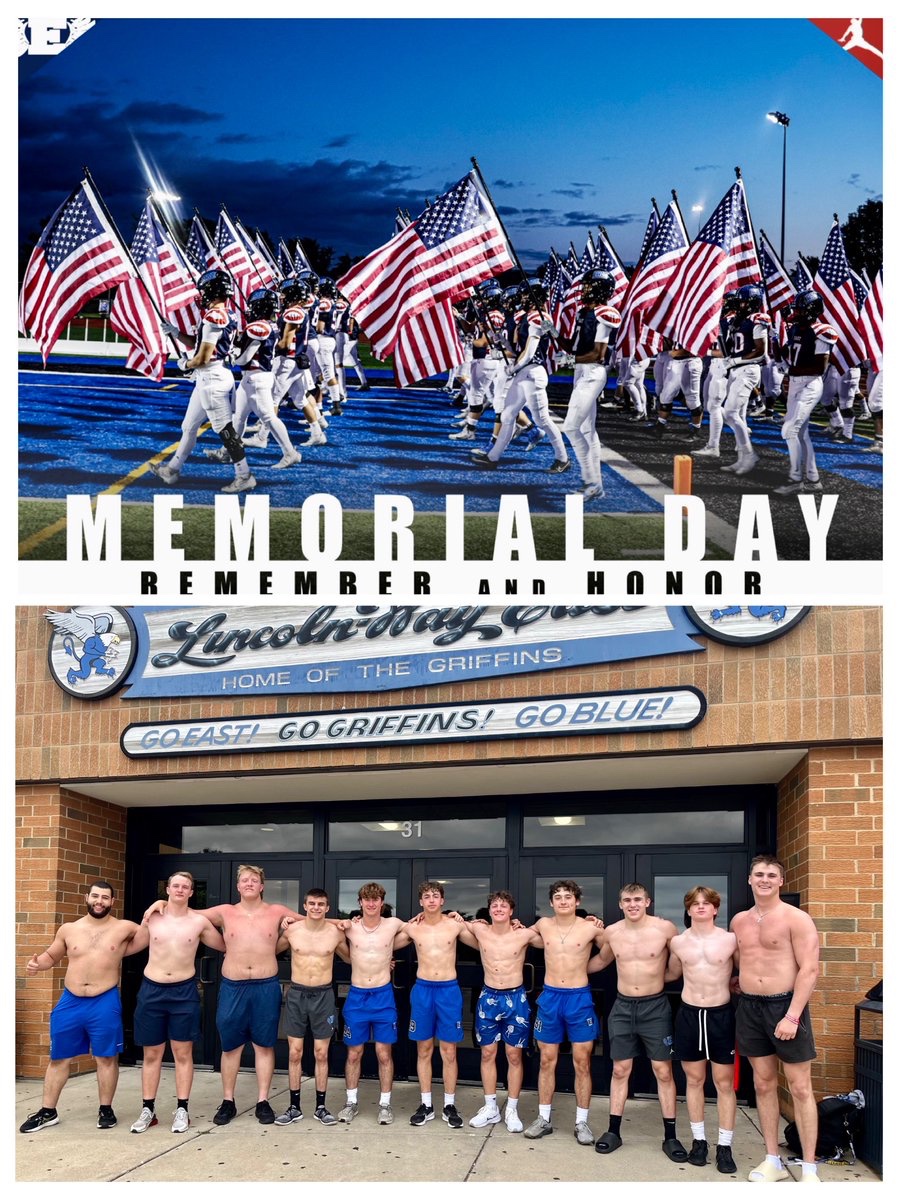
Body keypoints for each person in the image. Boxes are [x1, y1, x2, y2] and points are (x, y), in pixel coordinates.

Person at [143, 863, 302, 1126]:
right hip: (233, 986)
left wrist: (344, 922)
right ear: (238, 886)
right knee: (231, 1047)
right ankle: (228, 1100)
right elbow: (184, 909)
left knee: (264, 1045)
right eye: (244, 880)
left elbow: (314, 921)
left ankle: (263, 1101)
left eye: (254, 880)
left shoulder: (277, 912)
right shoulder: (224, 912)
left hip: (265, 986)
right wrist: (158, 903)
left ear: (262, 886)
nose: (249, 884)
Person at [20, 880, 145, 1133]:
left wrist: (158, 905)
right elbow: (52, 955)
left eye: (105, 898)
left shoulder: (124, 928)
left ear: (113, 902)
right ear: (86, 897)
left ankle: (106, 1109)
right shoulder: (68, 929)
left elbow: (153, 934)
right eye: (95, 896)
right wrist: (38, 964)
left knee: (106, 1057)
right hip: (71, 1000)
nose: (100, 901)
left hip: (104, 1000)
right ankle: (48, 1111)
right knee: (58, 1058)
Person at [731, 855, 821, 1183]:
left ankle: (809, 1168)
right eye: (759, 874)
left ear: (781, 881)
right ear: (750, 880)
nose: (764, 879)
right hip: (750, 1007)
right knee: (763, 1083)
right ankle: (773, 1161)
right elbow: (742, 962)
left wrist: (793, 1016)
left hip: (785, 1007)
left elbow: (809, 970)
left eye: (771, 874)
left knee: (799, 1087)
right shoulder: (739, 920)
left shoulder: (796, 919)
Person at [591, 882, 687, 1162]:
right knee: (620, 1070)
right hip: (622, 1007)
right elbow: (601, 961)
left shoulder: (664, 928)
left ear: (648, 902)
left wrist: (661, 979)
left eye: (637, 899)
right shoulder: (612, 932)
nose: (632, 904)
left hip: (655, 1007)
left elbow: (678, 962)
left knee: (663, 1071)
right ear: (620, 904)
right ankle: (613, 1131)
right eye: (626, 900)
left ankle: (670, 1137)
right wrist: (567, 972)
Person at [129, 871, 226, 1135]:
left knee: (183, 1054)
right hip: (152, 990)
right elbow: (130, 947)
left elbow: (228, 944)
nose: (180, 890)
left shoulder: (199, 922)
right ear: (168, 889)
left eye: (186, 887)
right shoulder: (153, 918)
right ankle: (148, 1109)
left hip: (184, 991)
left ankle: (182, 1109)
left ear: (192, 892)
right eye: (176, 885)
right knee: (152, 1054)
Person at [151, 268, 256, 493]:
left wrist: (185, 365)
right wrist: (177, 333)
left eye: (205, 290)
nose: (202, 295)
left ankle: (244, 475)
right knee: (189, 426)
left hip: (212, 378)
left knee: (226, 431)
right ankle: (172, 469)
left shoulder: (214, 316)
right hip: (212, 376)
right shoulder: (228, 314)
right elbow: (201, 345)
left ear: (213, 291)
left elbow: (203, 357)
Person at [522, 879, 605, 1145]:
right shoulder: (543, 925)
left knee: (583, 1062)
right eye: (557, 896)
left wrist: (583, 970)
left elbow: (611, 952)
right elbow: (516, 935)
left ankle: (581, 1122)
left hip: (579, 999)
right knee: (547, 1060)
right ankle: (543, 1119)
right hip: (550, 998)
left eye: (568, 896)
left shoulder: (590, 927)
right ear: (551, 902)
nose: (563, 900)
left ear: (577, 901)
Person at [665, 886, 738, 1174]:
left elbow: (746, 971)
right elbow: (670, 973)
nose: (701, 907)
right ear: (688, 909)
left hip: (721, 1015)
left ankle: (725, 1146)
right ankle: (699, 1141)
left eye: (706, 903)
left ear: (716, 908)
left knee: (723, 1083)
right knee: (693, 1081)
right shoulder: (678, 943)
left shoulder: (731, 940)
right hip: (690, 1014)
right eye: (695, 904)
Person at [332, 882, 413, 1125]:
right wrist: (287, 921)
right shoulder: (350, 927)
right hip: (357, 996)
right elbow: (319, 924)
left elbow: (426, 925)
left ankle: (385, 1105)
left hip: (383, 996)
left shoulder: (393, 925)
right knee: (354, 1053)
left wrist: (459, 918)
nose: (371, 903)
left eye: (375, 899)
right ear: (360, 903)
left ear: (382, 902)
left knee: (383, 1052)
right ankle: (351, 1102)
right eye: (366, 899)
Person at [456, 890, 535, 1133]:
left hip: (516, 998)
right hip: (489, 997)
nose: (499, 908)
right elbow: (453, 924)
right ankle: (490, 1107)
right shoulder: (479, 931)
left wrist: (590, 921)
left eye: (504, 906)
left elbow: (557, 937)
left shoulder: (524, 933)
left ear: (511, 911)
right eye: (495, 905)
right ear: (489, 911)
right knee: (488, 1053)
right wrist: (455, 915)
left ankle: (511, 1108)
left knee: (514, 1055)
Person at [471, 281, 571, 474]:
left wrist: (513, 367)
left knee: (542, 420)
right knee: (508, 414)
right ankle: (493, 457)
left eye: (526, 295)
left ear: (536, 296)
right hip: (523, 373)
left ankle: (563, 458)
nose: (522, 298)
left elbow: (530, 351)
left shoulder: (538, 317)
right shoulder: (527, 317)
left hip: (532, 372)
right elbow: (518, 350)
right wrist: (503, 343)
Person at [273, 887, 349, 1127]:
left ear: (327, 908)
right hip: (297, 994)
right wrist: (280, 925)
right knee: (295, 1053)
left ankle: (321, 1107)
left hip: (324, 995)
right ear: (305, 906)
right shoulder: (292, 930)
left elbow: (351, 957)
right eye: (312, 904)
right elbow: (270, 950)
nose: (316, 908)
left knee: (321, 1053)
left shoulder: (336, 933)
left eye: (321, 904)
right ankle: (294, 1107)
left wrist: (381, 960)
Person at [404, 881, 473, 1129]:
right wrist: (350, 921)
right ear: (421, 902)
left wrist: (470, 922)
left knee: (449, 1051)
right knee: (423, 1050)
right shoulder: (412, 928)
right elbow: (379, 941)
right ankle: (426, 1104)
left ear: (442, 900)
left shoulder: (454, 926)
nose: (431, 900)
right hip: (423, 990)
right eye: (426, 896)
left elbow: (484, 941)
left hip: (448, 991)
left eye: (435, 895)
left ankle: (449, 1105)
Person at [561, 269, 622, 501]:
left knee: (570, 427)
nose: (583, 290)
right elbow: (573, 348)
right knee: (587, 430)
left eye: (588, 286)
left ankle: (591, 481)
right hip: (580, 373)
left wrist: (570, 360)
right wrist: (554, 333)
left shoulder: (606, 313)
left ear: (599, 289)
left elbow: (598, 354)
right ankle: (597, 485)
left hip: (593, 373)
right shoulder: (584, 313)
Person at [774, 290, 838, 497]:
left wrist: (790, 370)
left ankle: (795, 480)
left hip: (810, 384)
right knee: (802, 433)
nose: (796, 312)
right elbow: (788, 352)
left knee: (789, 430)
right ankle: (813, 478)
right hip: (795, 383)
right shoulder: (795, 329)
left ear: (810, 310)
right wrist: (776, 344)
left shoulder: (822, 331)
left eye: (800, 308)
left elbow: (819, 367)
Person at [717, 283, 770, 476]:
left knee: (730, 412)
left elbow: (760, 352)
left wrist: (734, 360)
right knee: (737, 414)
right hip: (737, 369)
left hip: (748, 369)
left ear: (752, 303)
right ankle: (741, 458)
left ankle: (749, 456)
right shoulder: (738, 321)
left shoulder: (757, 320)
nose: (738, 305)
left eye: (742, 302)